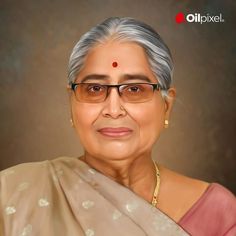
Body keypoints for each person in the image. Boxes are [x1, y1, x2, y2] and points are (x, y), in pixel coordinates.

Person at [0, 17, 235, 236]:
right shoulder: (12, 195)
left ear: (166, 105)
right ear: (71, 103)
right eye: (94, 89)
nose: (113, 109)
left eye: (134, 89)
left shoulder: (217, 213)